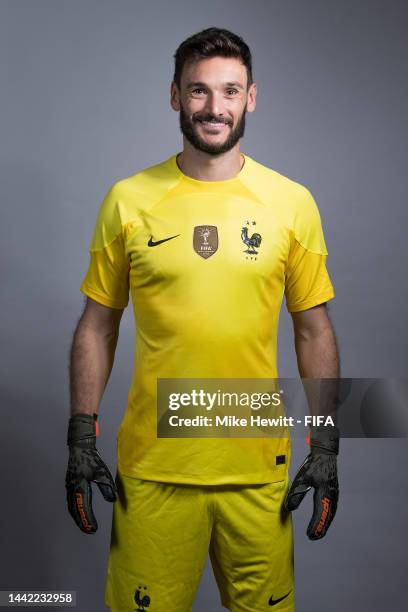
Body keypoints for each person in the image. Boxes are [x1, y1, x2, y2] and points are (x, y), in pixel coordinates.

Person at [66, 27, 340, 612]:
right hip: (154, 471)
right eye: (199, 91)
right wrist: (79, 435)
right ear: (174, 97)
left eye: (230, 91)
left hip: (258, 469)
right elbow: (97, 325)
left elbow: (313, 330)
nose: (215, 108)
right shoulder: (127, 200)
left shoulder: (293, 203)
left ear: (252, 98)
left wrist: (326, 444)